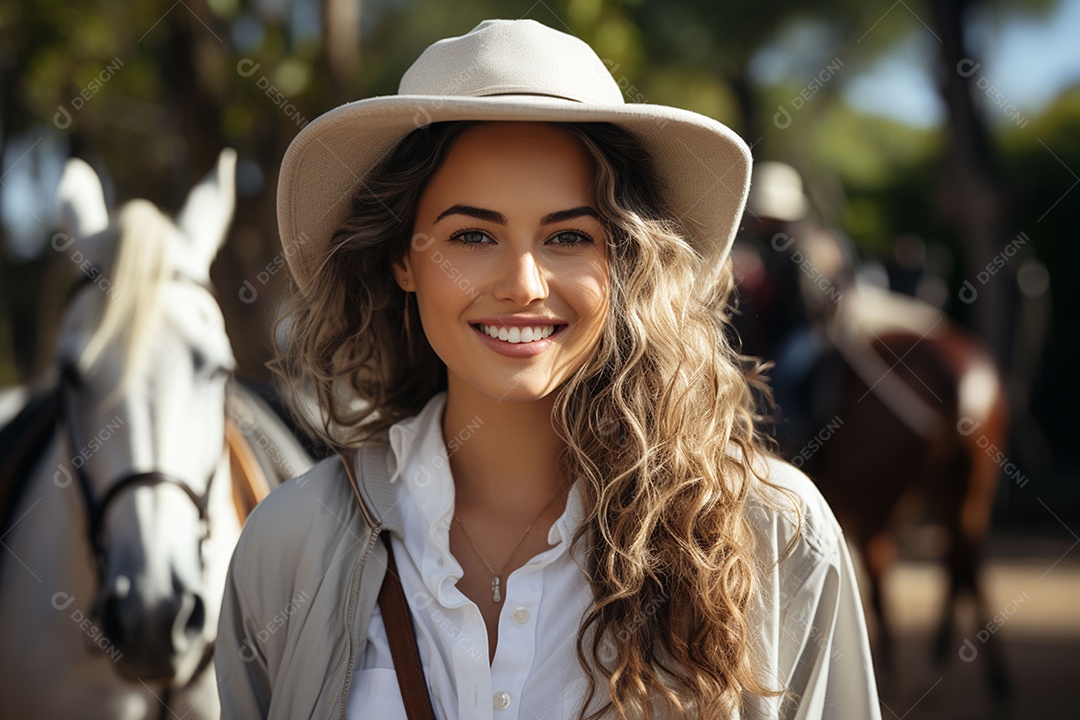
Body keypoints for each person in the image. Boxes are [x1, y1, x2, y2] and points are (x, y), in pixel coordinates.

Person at [216, 19, 881, 720]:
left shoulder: (771, 533)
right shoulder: (289, 542)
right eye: (473, 235)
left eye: (569, 236)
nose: (524, 284)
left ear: (624, 261)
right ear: (403, 260)